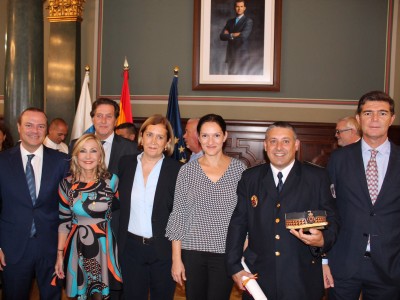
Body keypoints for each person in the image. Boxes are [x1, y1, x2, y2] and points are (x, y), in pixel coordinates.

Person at [225, 121, 339, 300]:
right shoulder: (250, 178)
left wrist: (323, 240)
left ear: (296, 145)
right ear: (265, 145)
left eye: (286, 141)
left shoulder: (317, 177)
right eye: (273, 141)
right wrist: (235, 266)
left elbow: (333, 219)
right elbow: (238, 223)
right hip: (259, 276)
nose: (279, 147)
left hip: (301, 277)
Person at [325, 91, 400, 299]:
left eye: (382, 113)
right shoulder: (339, 159)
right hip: (343, 264)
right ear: (359, 119)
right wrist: (324, 260)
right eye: (368, 113)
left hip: (390, 268)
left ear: (392, 118)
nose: (375, 119)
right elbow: (327, 209)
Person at [166, 114, 246, 300]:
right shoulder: (186, 171)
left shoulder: (240, 170)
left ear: (225, 136)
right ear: (198, 137)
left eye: (216, 135)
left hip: (226, 252)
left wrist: (241, 254)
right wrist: (176, 259)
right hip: (192, 252)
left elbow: (244, 217)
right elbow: (179, 215)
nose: (210, 141)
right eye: (205, 136)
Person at [0, 107, 69, 299]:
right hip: (12, 248)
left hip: (51, 247)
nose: (35, 130)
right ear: (19, 127)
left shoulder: (62, 162)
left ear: (46, 129)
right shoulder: (2, 162)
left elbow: (67, 209)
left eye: (40, 126)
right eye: (29, 125)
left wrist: (63, 251)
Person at [118, 114, 181, 299]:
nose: (154, 141)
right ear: (141, 137)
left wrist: (177, 258)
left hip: (163, 250)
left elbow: (180, 214)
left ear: (167, 142)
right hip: (131, 248)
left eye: (160, 137)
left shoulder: (177, 170)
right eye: (149, 135)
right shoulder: (125, 164)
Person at [53, 133, 122, 299]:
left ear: (100, 156)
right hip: (77, 246)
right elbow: (63, 222)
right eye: (83, 151)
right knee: (80, 293)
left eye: (93, 151)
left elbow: (118, 211)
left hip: (105, 244)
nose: (88, 156)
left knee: (102, 293)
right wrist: (59, 254)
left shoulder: (112, 181)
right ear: (76, 156)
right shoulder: (66, 184)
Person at [220, 0, 253, 75]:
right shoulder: (230, 22)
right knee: (230, 81)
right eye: (237, 6)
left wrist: (229, 35)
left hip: (241, 56)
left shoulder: (248, 21)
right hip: (231, 55)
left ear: (244, 8)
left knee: (242, 82)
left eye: (241, 6)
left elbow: (244, 36)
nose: (239, 8)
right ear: (234, 8)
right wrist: (233, 34)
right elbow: (222, 36)